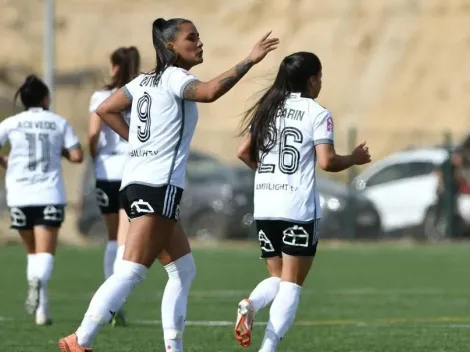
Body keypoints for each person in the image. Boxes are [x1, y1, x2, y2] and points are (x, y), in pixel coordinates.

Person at [58, 17, 279, 352]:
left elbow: (106, 108)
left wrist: (137, 140)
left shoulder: (144, 81)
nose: (199, 42)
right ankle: (80, 338)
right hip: (155, 187)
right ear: (171, 45)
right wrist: (249, 59)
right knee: (131, 271)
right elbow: (209, 92)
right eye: (193, 37)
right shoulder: (176, 77)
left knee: (183, 271)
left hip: (141, 184)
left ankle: (172, 348)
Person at [235, 52, 371, 351]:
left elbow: (243, 151)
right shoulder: (317, 112)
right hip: (295, 207)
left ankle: (251, 303)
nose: (321, 83)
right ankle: (267, 348)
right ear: (312, 80)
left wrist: (267, 172)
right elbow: (327, 161)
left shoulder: (268, 109)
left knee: (278, 276)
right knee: (292, 284)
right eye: (320, 77)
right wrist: (355, 158)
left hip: (265, 205)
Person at [0, 75, 83, 326]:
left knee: (32, 253)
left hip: (19, 194)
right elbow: (78, 156)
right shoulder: (58, 122)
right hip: (48, 193)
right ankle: (37, 287)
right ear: (46, 98)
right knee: (45, 254)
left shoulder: (12, 122)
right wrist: (61, 151)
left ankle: (42, 311)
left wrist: (6, 162)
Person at [88, 46, 141, 326]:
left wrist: (94, 154)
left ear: (115, 67)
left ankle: (108, 298)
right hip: (133, 170)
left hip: (107, 170)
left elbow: (93, 134)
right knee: (125, 237)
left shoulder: (100, 96)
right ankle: (116, 300)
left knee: (112, 238)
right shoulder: (141, 92)